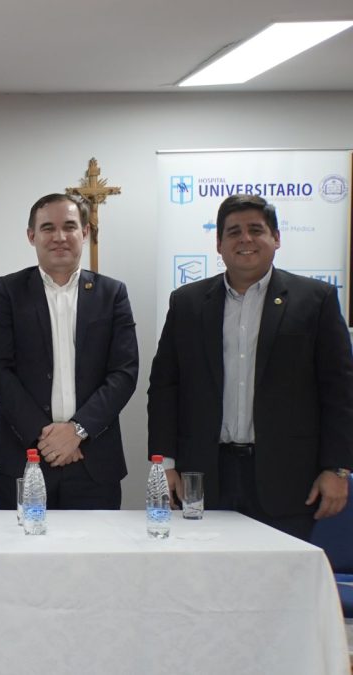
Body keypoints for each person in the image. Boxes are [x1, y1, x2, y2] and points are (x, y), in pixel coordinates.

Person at [148, 194, 353, 540]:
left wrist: (337, 468)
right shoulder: (187, 303)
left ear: (276, 238)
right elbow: (166, 388)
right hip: (204, 475)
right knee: (204, 582)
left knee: (279, 585)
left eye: (256, 230)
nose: (245, 239)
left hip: (287, 478)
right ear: (219, 243)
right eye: (233, 232)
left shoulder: (315, 300)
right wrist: (164, 465)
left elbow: (340, 390)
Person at [0, 193, 138, 510]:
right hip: (24, 458)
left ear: (85, 233)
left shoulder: (112, 294)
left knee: (94, 559)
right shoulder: (8, 291)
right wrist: (46, 438)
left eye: (69, 226)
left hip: (93, 462)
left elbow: (124, 372)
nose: (59, 237)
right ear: (32, 236)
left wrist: (78, 432)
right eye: (47, 228)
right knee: (17, 557)